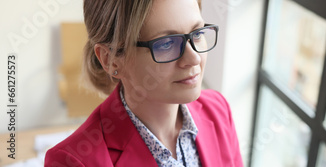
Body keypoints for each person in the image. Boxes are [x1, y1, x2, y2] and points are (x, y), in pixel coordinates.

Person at [44, 0, 243, 166]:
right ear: (111, 59)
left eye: (197, 33)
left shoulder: (218, 110)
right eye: (166, 43)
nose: (194, 59)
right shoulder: (71, 162)